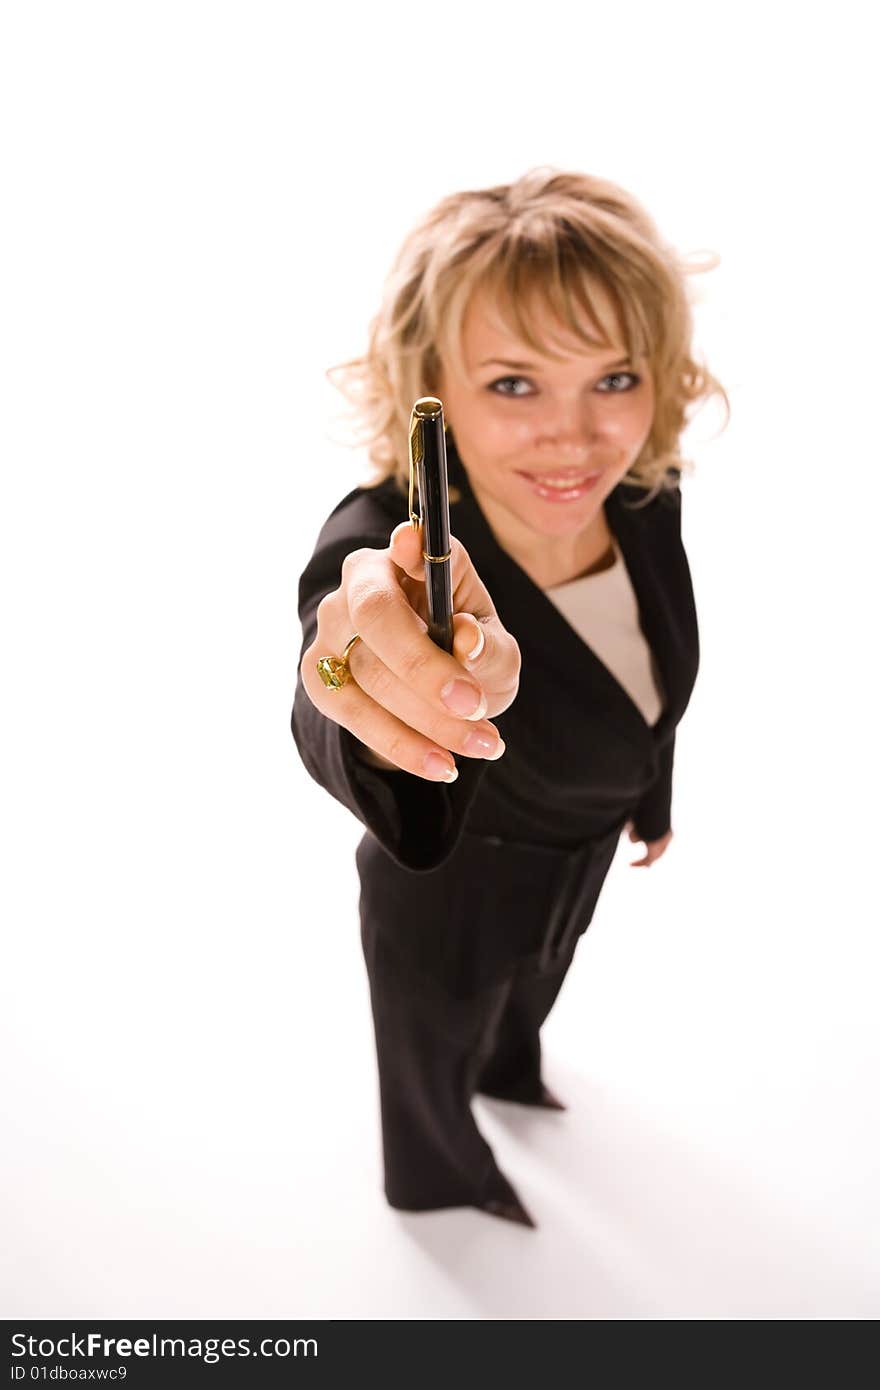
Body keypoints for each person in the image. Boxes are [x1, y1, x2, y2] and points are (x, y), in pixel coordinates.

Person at [290, 167, 728, 1228]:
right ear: (425, 382)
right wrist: (367, 691)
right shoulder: (380, 547)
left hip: (576, 862)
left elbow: (648, 676)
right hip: (449, 890)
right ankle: (442, 1180)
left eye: (614, 379)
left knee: (524, 1001)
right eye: (514, 384)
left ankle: (512, 1070)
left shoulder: (643, 501)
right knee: (432, 1047)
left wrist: (652, 797)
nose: (575, 439)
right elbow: (340, 665)